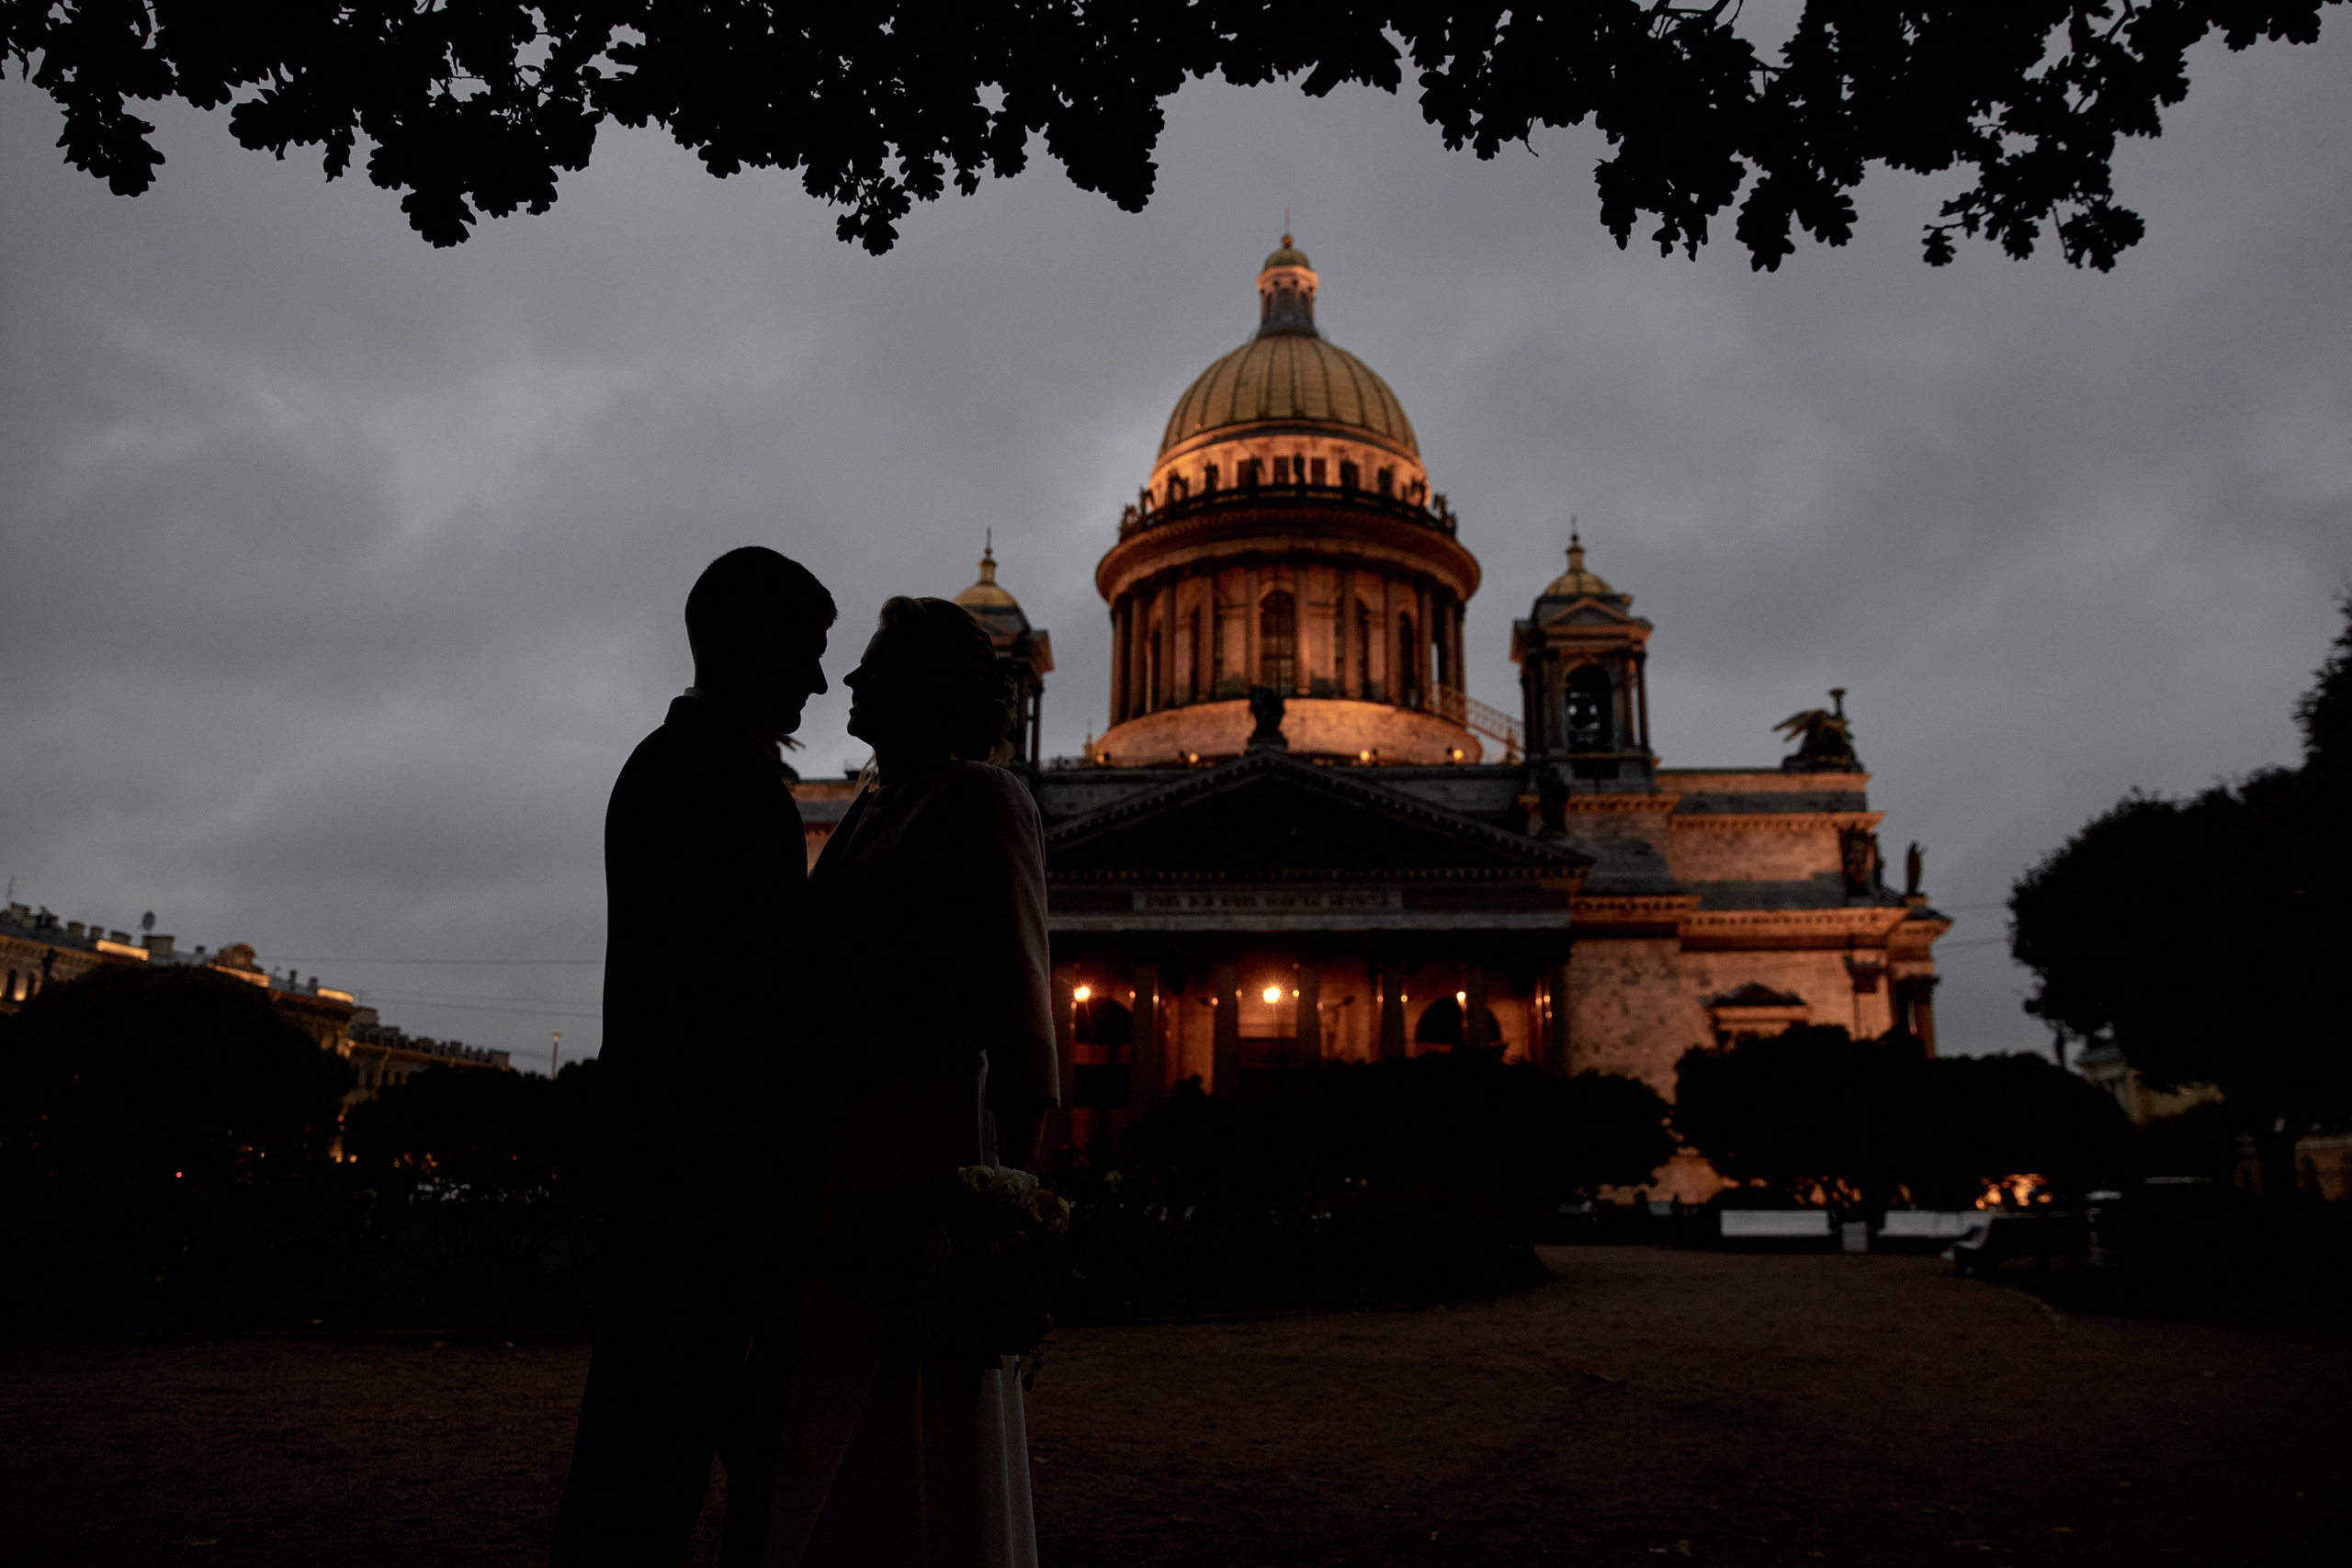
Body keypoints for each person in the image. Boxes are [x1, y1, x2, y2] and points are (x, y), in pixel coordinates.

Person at [756, 595, 1058, 1568]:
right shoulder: (871, 806)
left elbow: (1024, 1019)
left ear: (929, 686)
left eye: (875, 667)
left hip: (926, 1145)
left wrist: (1008, 1205)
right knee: (835, 1398)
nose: (848, 681)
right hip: (846, 1144)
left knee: (916, 1393)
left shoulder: (985, 797)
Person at [550, 547, 836, 1567]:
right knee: (650, 1461)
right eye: (806, 652)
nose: (817, 681)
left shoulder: (694, 762)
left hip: (680, 1178)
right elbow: (741, 1005)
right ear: (748, 644)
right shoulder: (714, 775)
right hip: (703, 1184)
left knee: (663, 1450)